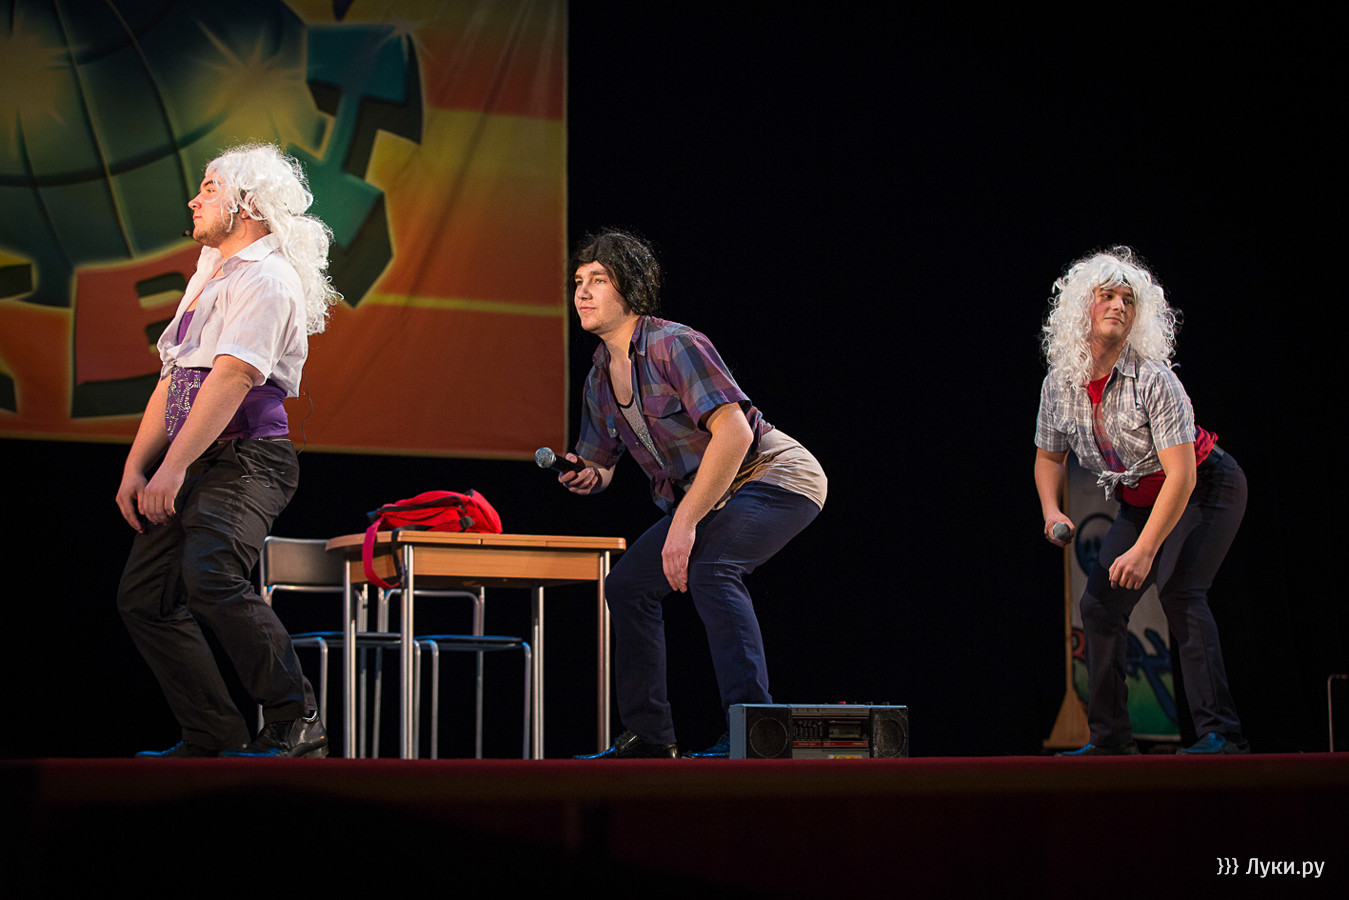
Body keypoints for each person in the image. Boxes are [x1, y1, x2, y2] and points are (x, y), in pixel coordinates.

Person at [559, 229, 826, 759]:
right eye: (578, 281)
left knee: (711, 567)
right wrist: (589, 475)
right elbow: (601, 463)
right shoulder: (598, 377)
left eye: (599, 280)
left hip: (773, 474)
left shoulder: (674, 344)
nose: (583, 292)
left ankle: (755, 731)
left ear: (630, 286)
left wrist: (683, 525)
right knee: (627, 586)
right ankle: (650, 737)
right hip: (709, 495)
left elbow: (735, 433)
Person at [115, 144, 340, 758]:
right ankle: (214, 734)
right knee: (144, 598)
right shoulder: (211, 272)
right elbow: (174, 378)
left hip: (249, 460)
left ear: (247, 204)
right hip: (194, 456)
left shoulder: (268, 278)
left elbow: (234, 376)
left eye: (210, 189)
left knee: (211, 573)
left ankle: (297, 720)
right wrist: (138, 466)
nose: (194, 199)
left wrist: (172, 467)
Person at [1034, 247, 1248, 756]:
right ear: (1081, 308)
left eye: (1128, 300)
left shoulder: (1154, 378)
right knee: (1099, 605)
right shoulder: (1060, 385)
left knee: (1180, 590)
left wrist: (1146, 550)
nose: (1119, 306)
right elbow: (1048, 458)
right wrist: (1052, 511)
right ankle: (1110, 740)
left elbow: (1182, 476)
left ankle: (1222, 735)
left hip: (1205, 487)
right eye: (1107, 296)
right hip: (1141, 499)